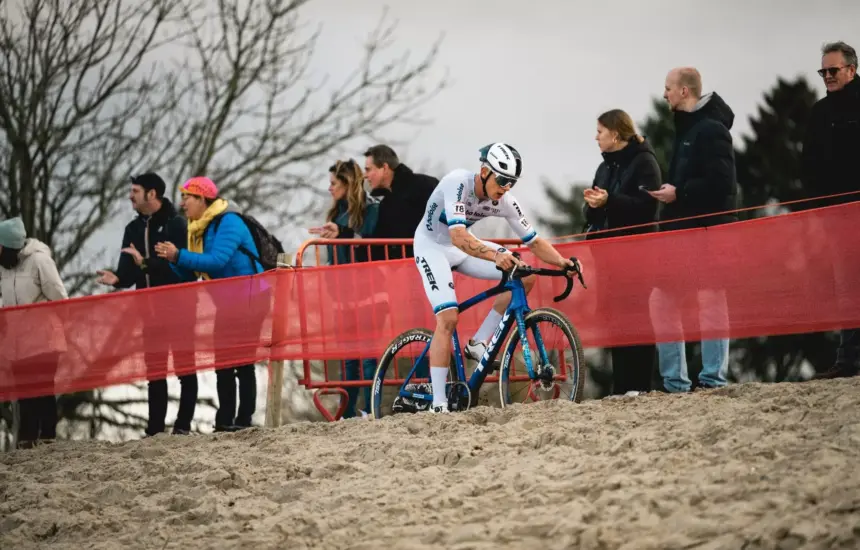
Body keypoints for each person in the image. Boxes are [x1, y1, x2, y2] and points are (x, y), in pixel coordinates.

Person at [413, 142, 578, 413]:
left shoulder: (505, 200)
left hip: (461, 246)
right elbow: (457, 236)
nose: (506, 188)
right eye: (502, 180)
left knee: (524, 275)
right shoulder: (458, 183)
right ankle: (439, 404)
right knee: (448, 318)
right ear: (484, 172)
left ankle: (478, 342)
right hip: (432, 247)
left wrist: (563, 263)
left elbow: (534, 241)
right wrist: (494, 256)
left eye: (512, 182)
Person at [647, 67, 738, 393]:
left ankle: (713, 379)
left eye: (668, 87)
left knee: (711, 298)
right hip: (681, 234)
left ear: (684, 91)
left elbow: (723, 183)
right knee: (662, 299)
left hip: (710, 234)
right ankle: (675, 382)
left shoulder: (711, 130)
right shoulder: (686, 130)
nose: (665, 94)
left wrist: (678, 193)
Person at [154, 177, 268, 432]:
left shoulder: (230, 221)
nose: (183, 204)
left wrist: (179, 255)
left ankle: (243, 421)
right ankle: (224, 421)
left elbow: (216, 261)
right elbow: (194, 273)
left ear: (203, 199)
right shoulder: (199, 227)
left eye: (187, 197)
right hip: (227, 301)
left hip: (251, 298)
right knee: (223, 362)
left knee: (242, 362)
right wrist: (174, 260)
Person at [96, 173, 198, 437]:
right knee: (155, 372)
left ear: (152, 194)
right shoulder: (131, 229)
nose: (130, 195)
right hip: (149, 310)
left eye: (135, 191)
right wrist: (117, 278)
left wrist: (145, 262)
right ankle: (154, 431)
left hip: (180, 308)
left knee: (185, 369)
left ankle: (183, 426)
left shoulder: (177, 224)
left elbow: (181, 267)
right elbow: (129, 272)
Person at [583, 109, 661, 396]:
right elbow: (594, 207)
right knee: (614, 318)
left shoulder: (645, 162)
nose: (596, 137)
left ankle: (639, 386)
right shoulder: (604, 168)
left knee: (637, 316)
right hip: (607, 256)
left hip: (637, 256)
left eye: (600, 131)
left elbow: (646, 207)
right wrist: (592, 205)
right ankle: (621, 386)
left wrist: (609, 200)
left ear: (615, 134)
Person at [801, 41, 860, 379]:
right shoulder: (820, 112)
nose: (827, 76)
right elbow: (808, 163)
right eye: (823, 71)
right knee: (845, 284)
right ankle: (848, 358)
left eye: (833, 70)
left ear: (851, 69)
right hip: (836, 215)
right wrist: (818, 206)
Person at [309, 159, 380, 418]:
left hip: (368, 291)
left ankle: (372, 409)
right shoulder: (336, 213)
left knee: (369, 356)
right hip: (342, 293)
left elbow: (372, 241)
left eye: (334, 184)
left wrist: (343, 232)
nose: (330, 189)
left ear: (348, 184)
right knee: (349, 356)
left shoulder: (369, 209)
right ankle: (349, 413)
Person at [0, 217, 67, 449]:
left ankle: (48, 438)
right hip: (18, 342)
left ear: (8, 246)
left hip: (45, 338)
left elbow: (59, 296)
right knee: (24, 391)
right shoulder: (3, 267)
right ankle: (27, 442)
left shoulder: (39, 261)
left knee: (42, 388)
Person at [363, 144, 438, 261]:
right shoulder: (385, 204)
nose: (365, 175)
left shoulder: (426, 186)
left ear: (384, 168)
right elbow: (376, 247)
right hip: (404, 272)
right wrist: (342, 233)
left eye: (368, 169)